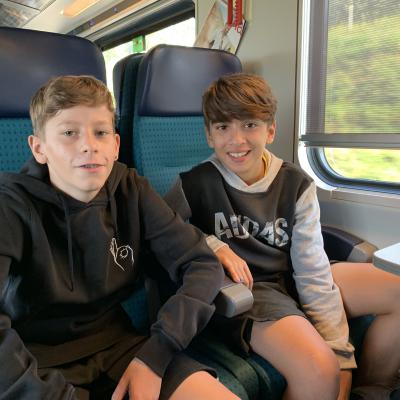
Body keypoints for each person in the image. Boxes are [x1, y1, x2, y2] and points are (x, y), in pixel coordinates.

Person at [0, 75, 241, 400]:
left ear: (115, 145)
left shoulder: (131, 189)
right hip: (34, 362)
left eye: (100, 132)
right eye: (69, 133)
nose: (89, 145)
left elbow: (201, 263)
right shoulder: (10, 205)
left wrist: (156, 353)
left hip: (120, 346)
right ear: (39, 148)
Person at [165, 73, 400, 400]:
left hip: (293, 274)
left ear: (270, 130)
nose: (236, 140)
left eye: (250, 125)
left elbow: (311, 269)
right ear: (209, 135)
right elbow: (163, 234)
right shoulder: (193, 184)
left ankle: (370, 391)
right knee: (320, 370)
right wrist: (212, 244)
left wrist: (341, 353)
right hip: (250, 290)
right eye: (223, 127)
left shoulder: (296, 184)